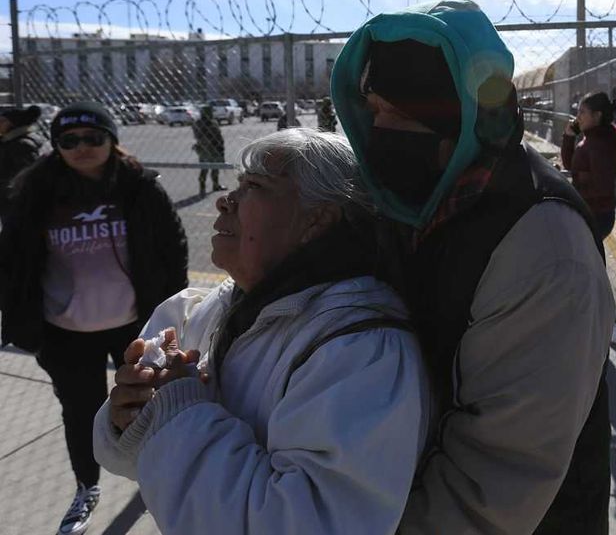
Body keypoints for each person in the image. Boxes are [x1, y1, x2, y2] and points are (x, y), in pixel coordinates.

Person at [330, 0, 615, 534]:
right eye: (371, 111)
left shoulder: (545, 250)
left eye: (393, 113)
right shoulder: (410, 204)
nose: (374, 131)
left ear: (453, 123)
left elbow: (492, 487)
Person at [93, 128, 429, 534]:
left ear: (316, 220)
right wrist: (127, 417)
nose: (225, 199)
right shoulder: (201, 310)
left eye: (254, 185)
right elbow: (134, 463)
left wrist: (178, 409)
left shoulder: (361, 350)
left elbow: (305, 523)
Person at [0, 101, 188, 535]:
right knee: (81, 412)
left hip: (135, 326)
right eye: (70, 140)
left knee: (148, 404)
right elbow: (12, 261)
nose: (82, 147)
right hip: (65, 331)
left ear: (112, 140)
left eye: (94, 138)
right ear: (56, 145)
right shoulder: (35, 192)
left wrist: (170, 308)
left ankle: (152, 473)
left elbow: (173, 248)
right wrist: (24, 323)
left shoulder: (139, 188)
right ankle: (87, 486)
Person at [562, 90, 616, 341]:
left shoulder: (600, 143)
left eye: (582, 113)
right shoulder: (593, 138)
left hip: (595, 214)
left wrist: (576, 183)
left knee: (590, 270)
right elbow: (570, 165)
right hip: (593, 213)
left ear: (597, 116)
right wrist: (568, 138)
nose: (578, 117)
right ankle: (605, 318)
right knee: (589, 268)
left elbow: (600, 185)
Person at [0, 105, 45, 220]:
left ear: (14, 124)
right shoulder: (10, 142)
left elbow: (29, 175)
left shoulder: (21, 145)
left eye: (3, 121)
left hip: (17, 201)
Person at [192, 104, 227, 196]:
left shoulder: (210, 122)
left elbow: (218, 135)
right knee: (205, 168)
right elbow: (200, 136)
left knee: (214, 167)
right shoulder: (201, 124)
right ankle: (203, 188)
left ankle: (215, 185)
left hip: (212, 148)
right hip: (207, 148)